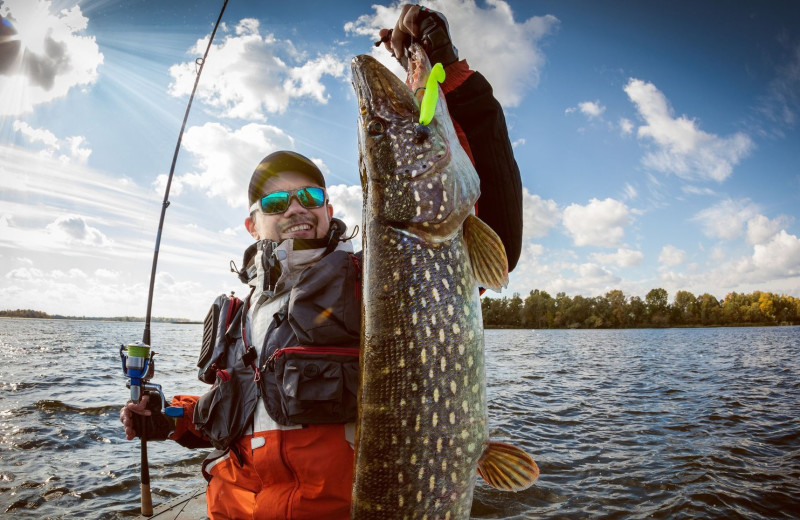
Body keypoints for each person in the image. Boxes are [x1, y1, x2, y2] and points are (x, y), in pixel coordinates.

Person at [120, 4, 523, 519]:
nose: (295, 210)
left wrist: (449, 74)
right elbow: (232, 413)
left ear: (330, 209)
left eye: (309, 197)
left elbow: (495, 227)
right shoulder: (239, 318)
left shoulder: (378, 278)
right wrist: (167, 419)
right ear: (252, 224)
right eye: (275, 203)